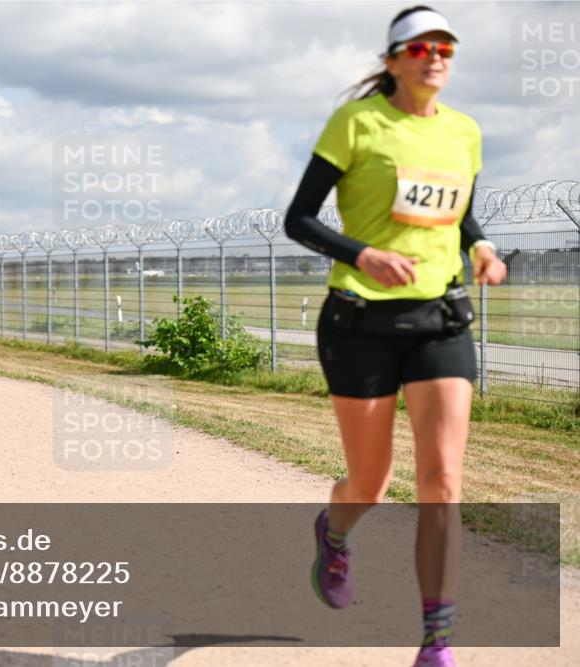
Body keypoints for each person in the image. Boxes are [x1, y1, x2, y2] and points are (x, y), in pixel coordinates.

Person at [284, 7, 507, 667]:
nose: (434, 55)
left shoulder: (465, 130)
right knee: (372, 481)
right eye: (419, 47)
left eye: (445, 46)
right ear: (393, 60)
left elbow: (460, 208)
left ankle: (437, 643)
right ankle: (336, 532)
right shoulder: (357, 124)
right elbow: (298, 218)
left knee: (442, 479)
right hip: (360, 320)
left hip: (440, 318)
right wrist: (364, 254)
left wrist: (485, 247)